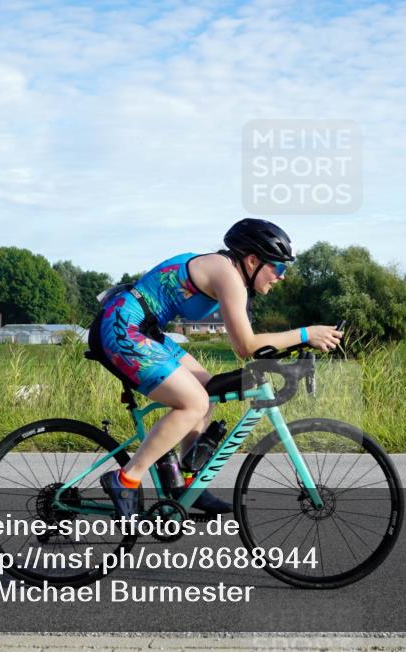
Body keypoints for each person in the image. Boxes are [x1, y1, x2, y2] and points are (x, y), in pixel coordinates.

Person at [90, 218, 343, 519]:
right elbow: (245, 346)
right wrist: (305, 334)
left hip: (144, 328)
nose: (281, 277)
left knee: (206, 392)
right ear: (252, 260)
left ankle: (185, 485)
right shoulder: (228, 276)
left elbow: (256, 345)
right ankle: (126, 479)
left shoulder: (233, 278)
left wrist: (293, 353)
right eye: (279, 267)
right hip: (121, 327)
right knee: (194, 401)